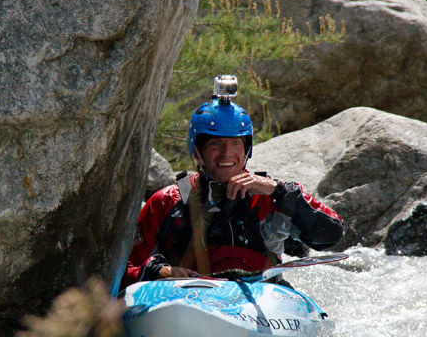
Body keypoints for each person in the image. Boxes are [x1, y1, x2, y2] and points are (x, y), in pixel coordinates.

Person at [122, 75, 344, 288]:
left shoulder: (270, 197)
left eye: (236, 144)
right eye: (215, 144)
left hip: (261, 299)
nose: (227, 154)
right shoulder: (166, 203)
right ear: (197, 151)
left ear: (247, 149)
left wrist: (279, 191)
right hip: (189, 299)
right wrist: (162, 272)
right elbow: (126, 269)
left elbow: (330, 235)